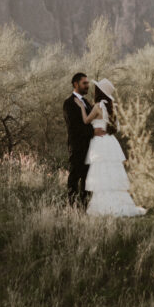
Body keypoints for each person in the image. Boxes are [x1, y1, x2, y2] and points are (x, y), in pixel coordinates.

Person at [76, 78, 146, 217]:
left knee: (101, 172)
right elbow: (116, 128)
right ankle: (118, 205)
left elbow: (86, 121)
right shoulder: (112, 107)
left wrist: (81, 107)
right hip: (110, 141)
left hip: (100, 142)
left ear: (99, 92)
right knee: (112, 173)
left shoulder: (97, 106)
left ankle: (103, 207)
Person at [63, 72, 94, 208]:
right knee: (75, 177)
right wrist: (94, 132)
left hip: (90, 147)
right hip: (77, 147)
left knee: (88, 179)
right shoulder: (68, 103)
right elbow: (75, 127)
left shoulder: (86, 102)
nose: (87, 85)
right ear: (76, 84)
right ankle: (72, 206)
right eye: (84, 83)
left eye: (87, 83)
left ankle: (84, 206)